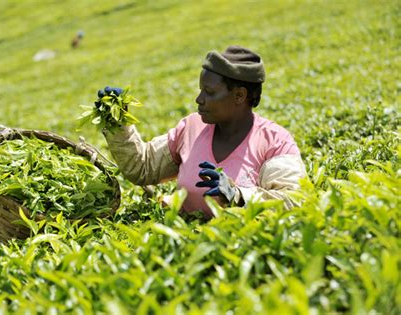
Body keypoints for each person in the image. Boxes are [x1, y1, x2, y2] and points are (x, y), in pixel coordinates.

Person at [100, 46, 306, 218]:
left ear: (239, 95)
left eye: (209, 92)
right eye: (201, 90)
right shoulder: (192, 128)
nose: (199, 99)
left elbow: (295, 201)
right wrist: (117, 121)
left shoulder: (274, 141)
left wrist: (238, 195)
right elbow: (142, 167)